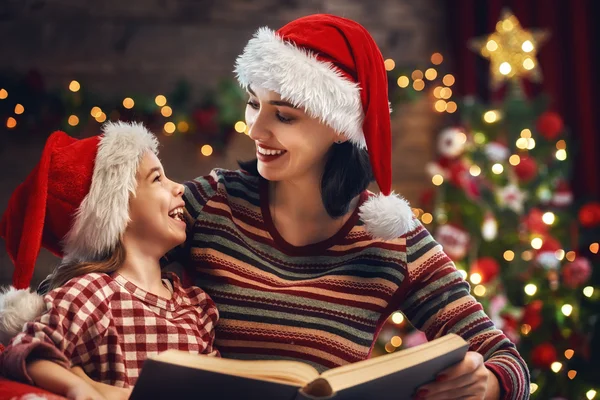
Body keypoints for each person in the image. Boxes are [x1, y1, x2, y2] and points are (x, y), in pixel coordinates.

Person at [164, 14, 529, 400]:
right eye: (254, 104)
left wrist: (486, 383)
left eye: (284, 115)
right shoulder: (210, 202)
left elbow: (509, 365)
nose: (255, 129)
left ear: (341, 125)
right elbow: (102, 264)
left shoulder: (391, 240)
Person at [0, 122, 219, 400]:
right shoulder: (91, 295)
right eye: (157, 179)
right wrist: (78, 387)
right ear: (118, 210)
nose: (180, 188)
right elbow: (22, 353)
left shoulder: (197, 307)